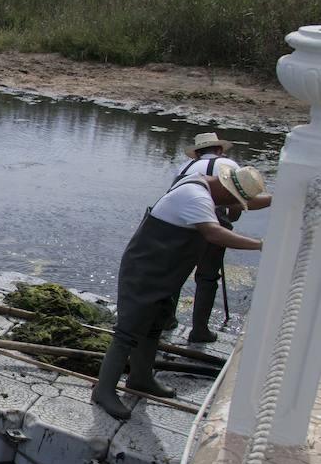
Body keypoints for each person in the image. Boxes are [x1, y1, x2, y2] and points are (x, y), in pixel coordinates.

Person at [91, 166, 268, 419]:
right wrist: (260, 245)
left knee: (153, 327)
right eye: (234, 202)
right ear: (227, 190)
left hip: (167, 272)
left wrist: (279, 198)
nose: (232, 208)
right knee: (127, 332)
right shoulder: (196, 197)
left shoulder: (203, 184)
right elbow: (213, 233)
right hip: (145, 270)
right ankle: (104, 390)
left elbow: (244, 204)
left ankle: (140, 378)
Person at [169, 132, 272, 342]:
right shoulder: (229, 166)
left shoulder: (184, 167)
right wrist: (232, 218)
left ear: (197, 153)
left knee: (176, 274)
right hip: (213, 225)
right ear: (219, 150)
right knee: (207, 278)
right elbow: (237, 202)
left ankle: (167, 320)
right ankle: (199, 331)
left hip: (181, 226)